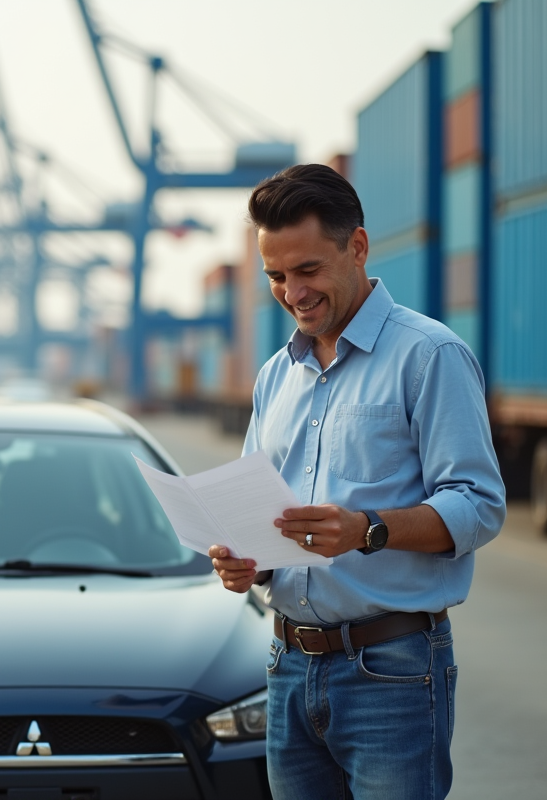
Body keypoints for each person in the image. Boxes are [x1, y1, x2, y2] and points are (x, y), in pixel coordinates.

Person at [209, 163, 506, 800]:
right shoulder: (274, 377)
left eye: (308, 270)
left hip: (392, 673)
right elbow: (255, 511)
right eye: (276, 277)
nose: (293, 292)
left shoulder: (429, 355)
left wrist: (366, 530)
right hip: (287, 669)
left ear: (358, 248)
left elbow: (479, 506)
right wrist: (244, 562)